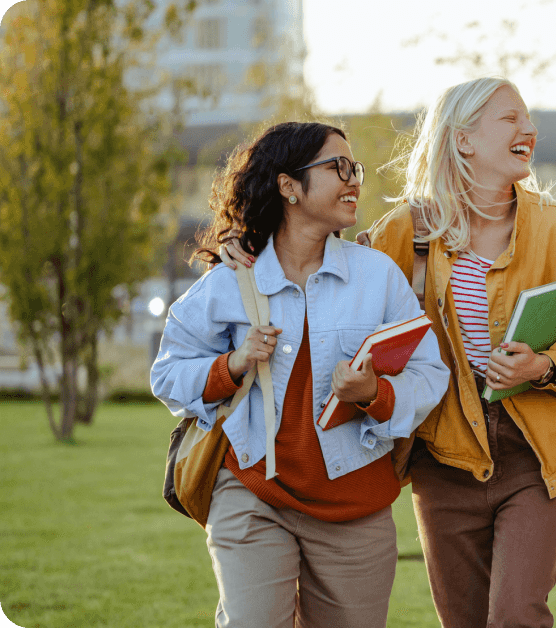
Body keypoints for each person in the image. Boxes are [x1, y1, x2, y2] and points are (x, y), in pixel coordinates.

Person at [150, 121, 450, 628]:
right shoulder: (230, 281)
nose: (353, 180)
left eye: (354, 169)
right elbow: (168, 373)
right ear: (289, 186)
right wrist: (231, 365)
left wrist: (375, 392)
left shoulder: (376, 276)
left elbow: (428, 372)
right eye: (338, 168)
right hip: (252, 492)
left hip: (356, 505)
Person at [361, 77, 556, 628]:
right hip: (443, 454)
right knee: (464, 620)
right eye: (510, 119)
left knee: (515, 615)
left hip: (535, 454)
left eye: (528, 119)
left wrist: (542, 366)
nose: (529, 129)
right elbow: (341, 299)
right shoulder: (406, 233)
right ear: (462, 139)